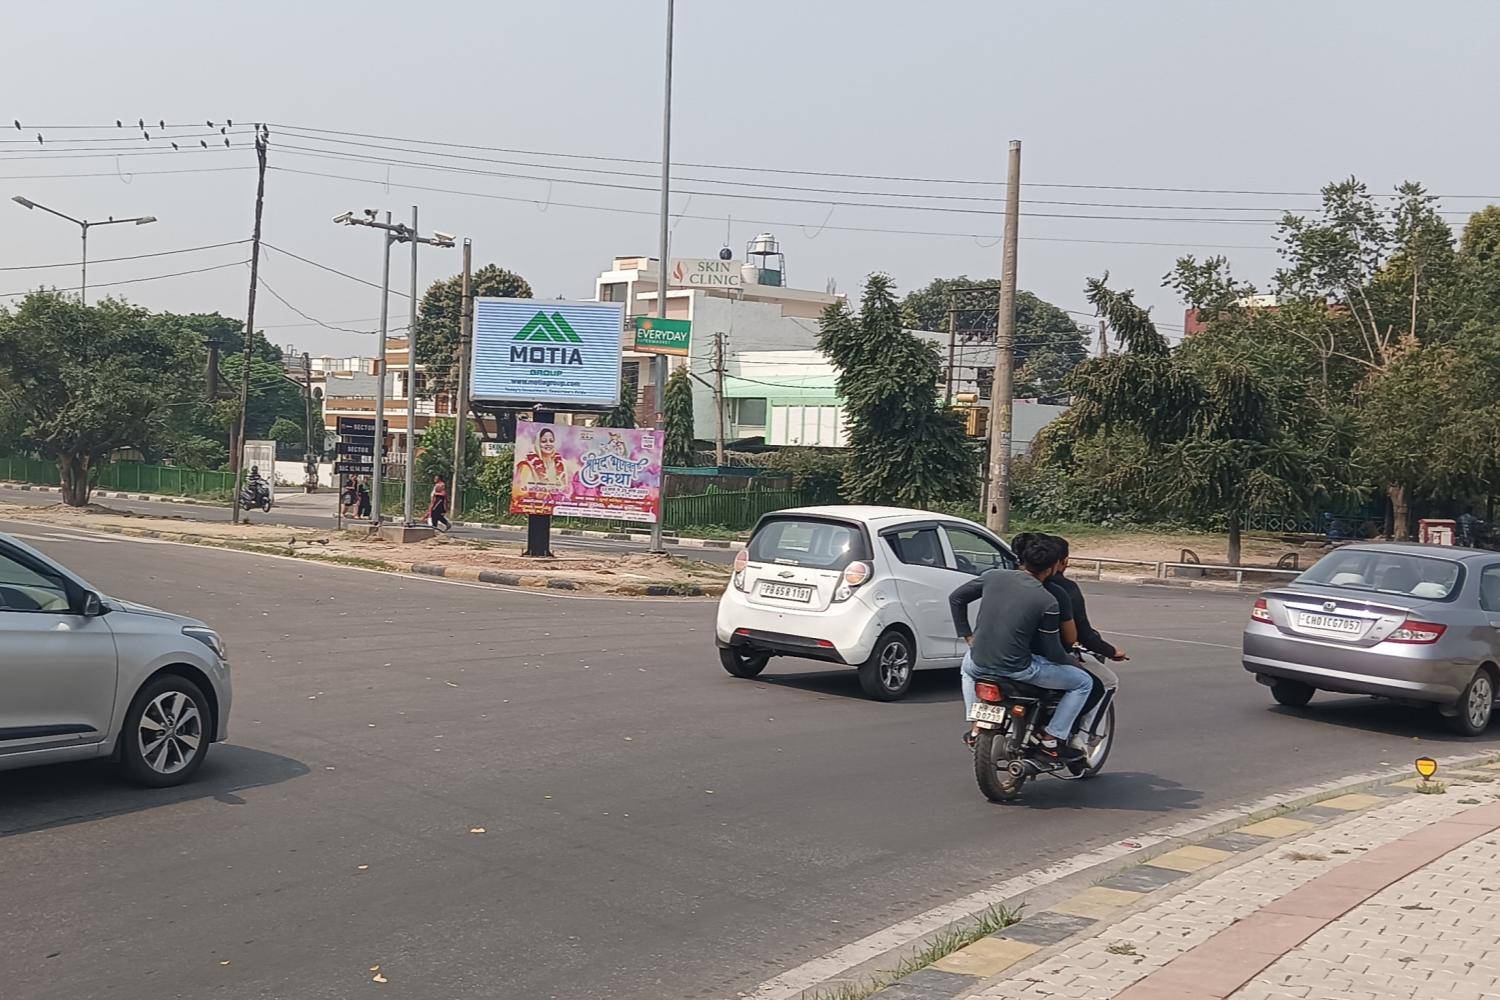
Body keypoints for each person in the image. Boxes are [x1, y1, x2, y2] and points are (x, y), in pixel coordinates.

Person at [949, 535, 1094, 763]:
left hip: (978, 660)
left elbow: (956, 598)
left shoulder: (992, 577)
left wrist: (967, 635)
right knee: (1084, 683)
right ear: (1052, 567)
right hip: (1019, 669)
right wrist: (1073, 663)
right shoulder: (1048, 600)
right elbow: (1053, 651)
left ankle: (976, 725)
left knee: (967, 670)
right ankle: (1050, 737)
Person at [1046, 535, 1129, 748]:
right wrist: (1111, 651)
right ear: (1060, 561)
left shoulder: (1007, 581)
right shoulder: (1064, 590)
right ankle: (1080, 736)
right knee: (1103, 682)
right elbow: (1081, 635)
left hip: (1002, 655)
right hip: (1052, 656)